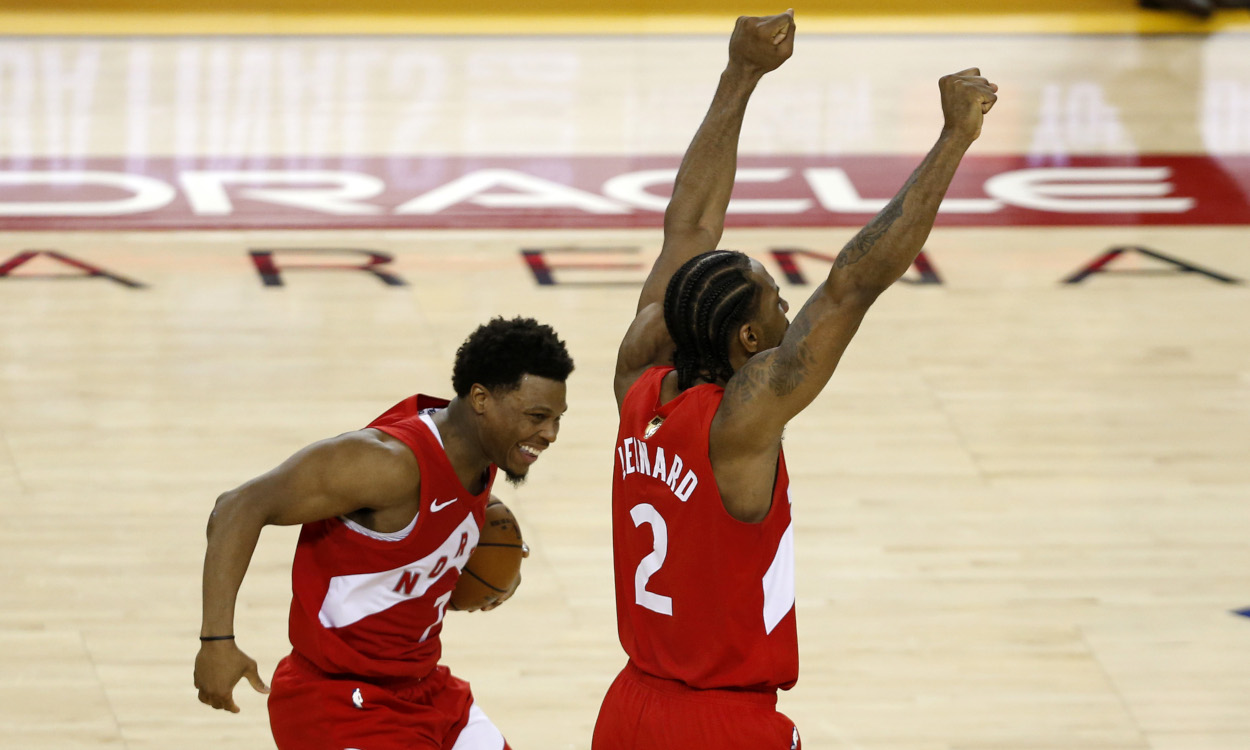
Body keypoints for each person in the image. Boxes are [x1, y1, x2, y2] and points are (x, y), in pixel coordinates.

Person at [592, 9, 998, 750]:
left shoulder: (638, 383)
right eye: (778, 301)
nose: (790, 306)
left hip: (629, 709)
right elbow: (853, 282)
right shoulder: (739, 423)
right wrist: (952, 141)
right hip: (721, 722)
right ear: (749, 341)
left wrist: (740, 73)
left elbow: (688, 231)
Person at [194, 316, 573, 750]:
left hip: (429, 692)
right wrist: (216, 641)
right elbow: (237, 507)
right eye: (538, 417)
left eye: (558, 418)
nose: (550, 434)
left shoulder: (483, 452)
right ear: (481, 399)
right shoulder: (387, 464)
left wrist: (486, 567)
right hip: (338, 703)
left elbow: (439, 523)